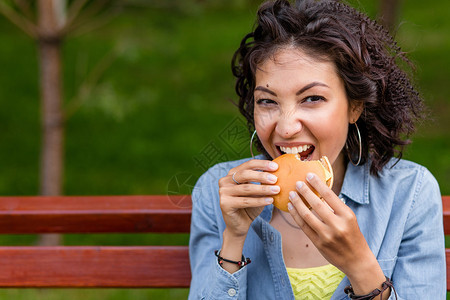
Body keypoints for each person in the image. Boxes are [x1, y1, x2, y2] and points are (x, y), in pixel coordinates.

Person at [188, 0, 446, 299]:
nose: (285, 128)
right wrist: (233, 238)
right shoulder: (217, 192)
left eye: (311, 98)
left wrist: (359, 264)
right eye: (267, 101)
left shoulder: (410, 195)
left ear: (355, 106)